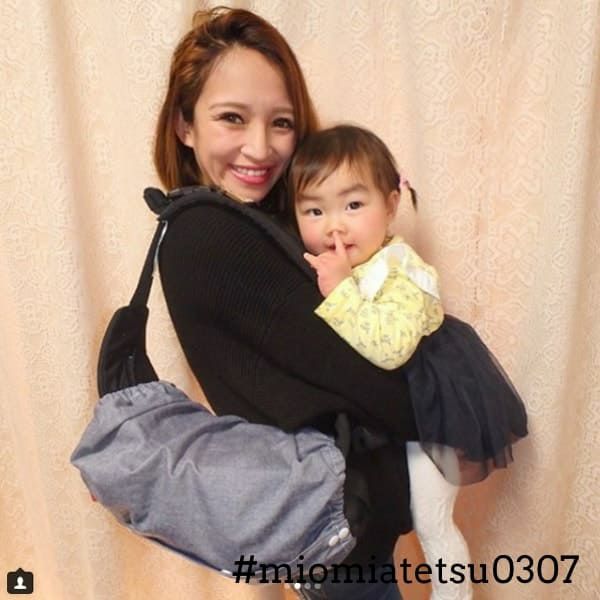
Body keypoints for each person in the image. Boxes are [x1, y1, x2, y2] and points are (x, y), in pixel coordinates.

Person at [154, 7, 420, 600]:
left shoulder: (270, 222)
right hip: (336, 537)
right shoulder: (210, 234)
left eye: (281, 123)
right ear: (184, 125)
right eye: (232, 117)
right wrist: (451, 415)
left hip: (338, 524)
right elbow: (367, 380)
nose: (260, 147)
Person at [289, 124, 529, 599]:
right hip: (387, 415)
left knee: (430, 520)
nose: (334, 226)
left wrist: (339, 290)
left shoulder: (402, 270)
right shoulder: (333, 267)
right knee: (384, 518)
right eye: (314, 211)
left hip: (432, 411)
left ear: (391, 204)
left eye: (353, 205)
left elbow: (389, 347)